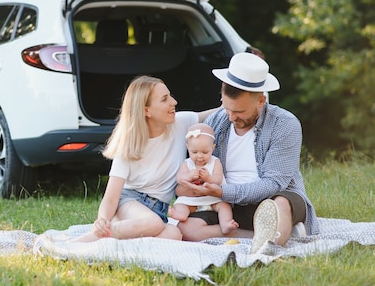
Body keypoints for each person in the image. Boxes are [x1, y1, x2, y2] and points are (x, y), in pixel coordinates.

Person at [175, 52, 319, 254]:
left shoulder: (285, 124)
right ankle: (266, 235)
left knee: (280, 204)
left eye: (240, 112)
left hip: (271, 198)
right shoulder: (216, 122)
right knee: (186, 227)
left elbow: (274, 183)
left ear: (261, 100)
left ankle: (272, 238)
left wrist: (222, 191)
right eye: (227, 109)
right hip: (227, 205)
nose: (232, 117)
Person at [72, 75, 216, 242]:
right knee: (152, 223)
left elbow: (213, 113)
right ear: (146, 110)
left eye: (170, 96)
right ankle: (78, 243)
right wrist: (102, 220)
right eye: (164, 99)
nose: (174, 102)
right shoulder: (130, 144)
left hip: (159, 210)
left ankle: (119, 235)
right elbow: (111, 196)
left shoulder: (181, 122)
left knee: (174, 234)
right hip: (130, 202)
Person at [168, 123, 239, 235]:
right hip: (191, 200)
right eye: (194, 152)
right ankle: (180, 215)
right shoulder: (187, 163)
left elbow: (218, 178)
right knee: (181, 204)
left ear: (212, 148)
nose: (199, 156)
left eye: (205, 152)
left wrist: (209, 178)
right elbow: (180, 178)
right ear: (188, 148)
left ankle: (225, 224)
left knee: (224, 206)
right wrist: (189, 176)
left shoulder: (215, 162)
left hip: (212, 198)